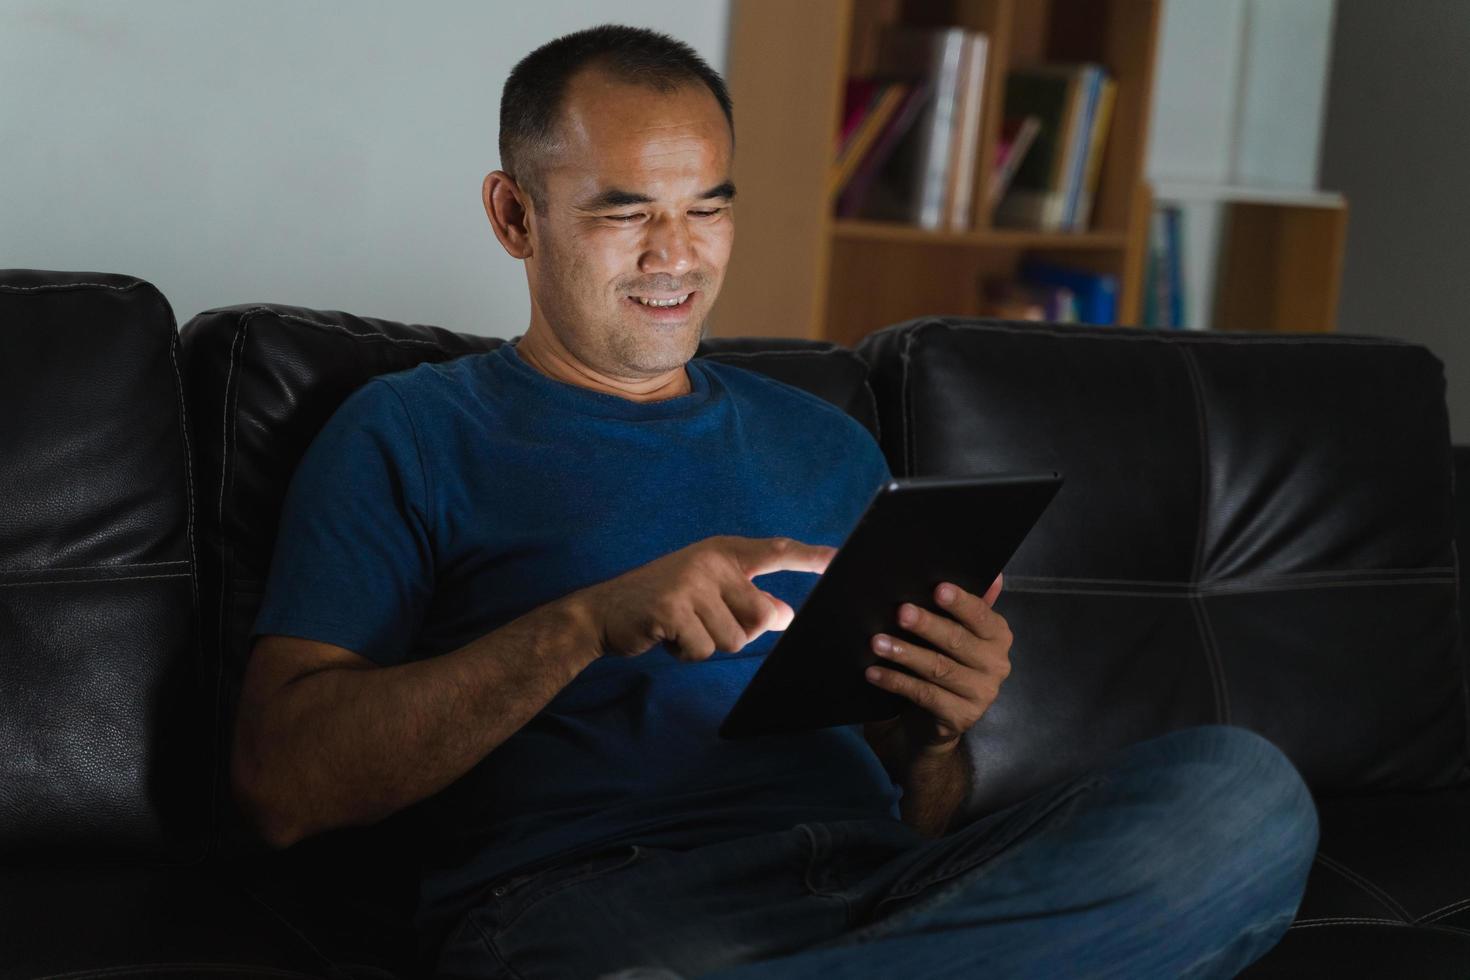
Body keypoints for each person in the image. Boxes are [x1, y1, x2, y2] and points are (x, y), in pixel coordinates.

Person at [232, 24, 1319, 980]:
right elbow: (285, 783)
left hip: (884, 884)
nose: (677, 255)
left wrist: (938, 732)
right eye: (627, 213)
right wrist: (583, 623)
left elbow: (917, 802)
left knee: (1241, 791)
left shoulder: (827, 444)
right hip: (601, 900)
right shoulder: (411, 431)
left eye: (707, 207)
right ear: (516, 214)